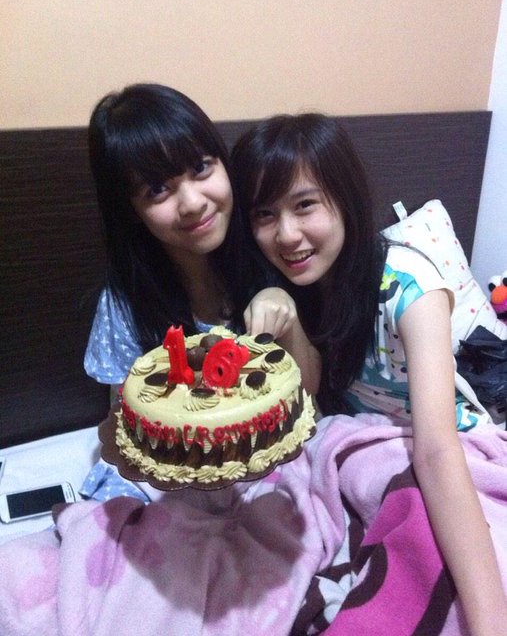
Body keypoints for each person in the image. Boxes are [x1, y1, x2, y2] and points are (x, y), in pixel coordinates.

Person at [231, 113, 507, 636]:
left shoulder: (410, 286)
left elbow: (436, 451)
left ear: (345, 199)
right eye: (265, 214)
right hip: (360, 446)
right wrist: (286, 318)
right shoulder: (295, 282)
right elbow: (312, 393)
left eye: (305, 205)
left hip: (446, 446)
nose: (286, 234)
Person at [84, 83, 319, 398]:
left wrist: (285, 312)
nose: (193, 203)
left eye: (200, 167)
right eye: (157, 189)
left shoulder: (270, 245)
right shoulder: (127, 302)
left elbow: (309, 393)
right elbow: (126, 412)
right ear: (131, 210)